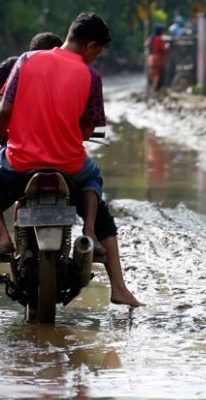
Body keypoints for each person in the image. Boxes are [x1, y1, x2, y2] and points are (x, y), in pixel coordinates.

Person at [0, 16, 143, 307]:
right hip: (69, 165)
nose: (96, 57)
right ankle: (114, 278)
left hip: (21, 161)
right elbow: (88, 129)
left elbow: (5, 108)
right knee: (93, 181)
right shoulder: (91, 77)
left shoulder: (26, 60)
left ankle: (3, 237)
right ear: (90, 45)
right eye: (98, 51)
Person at [145, 25, 169, 92]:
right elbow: (164, 48)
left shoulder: (151, 38)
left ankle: (151, 88)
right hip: (158, 59)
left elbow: (146, 44)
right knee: (157, 74)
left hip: (151, 58)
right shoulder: (159, 39)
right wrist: (167, 46)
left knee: (152, 73)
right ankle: (154, 89)